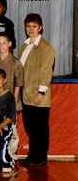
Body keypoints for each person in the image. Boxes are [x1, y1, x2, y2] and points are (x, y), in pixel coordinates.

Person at [18, 13, 55, 167]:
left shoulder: (46, 47)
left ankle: (40, 157)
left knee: (40, 128)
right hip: (25, 94)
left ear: (41, 27)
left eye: (34, 26)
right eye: (28, 26)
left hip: (39, 95)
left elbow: (46, 71)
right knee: (30, 127)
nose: (31, 29)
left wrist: (41, 92)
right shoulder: (24, 46)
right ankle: (32, 155)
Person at [0, 32, 23, 105]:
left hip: (9, 101)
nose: (1, 46)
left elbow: (18, 84)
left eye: (4, 43)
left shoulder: (16, 63)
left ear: (9, 44)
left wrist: (14, 101)